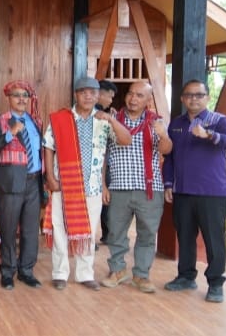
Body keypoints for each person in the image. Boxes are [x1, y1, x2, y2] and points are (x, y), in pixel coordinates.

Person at [42, 77, 131, 291]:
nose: (88, 96)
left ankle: (85, 274)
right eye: (83, 92)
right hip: (64, 184)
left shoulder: (103, 120)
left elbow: (125, 140)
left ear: (98, 95)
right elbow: (48, 147)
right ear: (76, 95)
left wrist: (112, 120)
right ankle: (60, 273)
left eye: (92, 92)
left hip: (92, 187)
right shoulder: (60, 119)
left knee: (89, 232)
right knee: (60, 229)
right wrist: (50, 178)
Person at [162, 79, 226, 303]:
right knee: (185, 236)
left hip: (212, 192)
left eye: (199, 95)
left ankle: (216, 284)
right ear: (182, 98)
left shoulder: (218, 121)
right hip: (183, 191)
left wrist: (210, 135)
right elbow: (170, 157)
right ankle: (186, 277)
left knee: (214, 239)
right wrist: (168, 184)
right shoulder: (176, 124)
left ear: (207, 98)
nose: (194, 99)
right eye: (189, 95)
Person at [100, 81, 172, 293]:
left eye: (139, 95)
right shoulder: (113, 120)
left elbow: (166, 150)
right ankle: (117, 270)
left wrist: (163, 135)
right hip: (118, 186)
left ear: (148, 100)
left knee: (147, 234)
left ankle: (141, 275)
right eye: (131, 94)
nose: (133, 98)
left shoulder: (156, 121)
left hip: (149, 188)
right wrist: (103, 184)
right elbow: (103, 155)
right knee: (115, 232)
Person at [0, 80, 44, 290]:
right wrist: (10, 134)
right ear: (9, 98)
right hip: (10, 182)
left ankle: (26, 271)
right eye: (16, 95)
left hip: (34, 181)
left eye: (25, 95)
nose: (21, 99)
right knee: (8, 229)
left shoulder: (35, 121)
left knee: (30, 230)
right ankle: (8, 271)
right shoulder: (0, 120)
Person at [97, 80, 118, 246]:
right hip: (99, 164)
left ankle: (107, 234)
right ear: (99, 94)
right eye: (109, 97)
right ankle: (106, 235)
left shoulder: (107, 114)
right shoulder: (96, 115)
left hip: (104, 164)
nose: (111, 101)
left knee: (104, 201)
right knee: (104, 201)